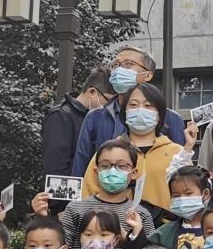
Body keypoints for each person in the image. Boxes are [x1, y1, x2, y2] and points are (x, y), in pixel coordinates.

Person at [72, 45, 185, 176]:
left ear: (147, 75)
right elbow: (80, 168)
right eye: (116, 65)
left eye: (128, 64)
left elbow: (180, 169)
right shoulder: (95, 117)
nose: (119, 70)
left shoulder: (171, 119)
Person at [44, 138, 154, 249]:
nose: (112, 171)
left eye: (121, 166)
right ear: (96, 171)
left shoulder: (140, 214)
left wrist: (132, 236)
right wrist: (43, 218)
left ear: (134, 173)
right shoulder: (76, 208)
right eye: (105, 166)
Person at [81, 83, 188, 216]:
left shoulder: (178, 153)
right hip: (116, 225)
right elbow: (88, 194)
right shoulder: (107, 152)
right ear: (124, 112)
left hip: (165, 226)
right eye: (133, 105)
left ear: (159, 114)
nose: (140, 110)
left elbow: (189, 194)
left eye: (148, 105)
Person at [42, 66, 111, 207]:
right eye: (108, 100)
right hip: (70, 204)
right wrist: (62, 206)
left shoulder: (97, 119)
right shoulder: (61, 116)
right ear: (92, 92)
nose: (110, 106)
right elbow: (56, 167)